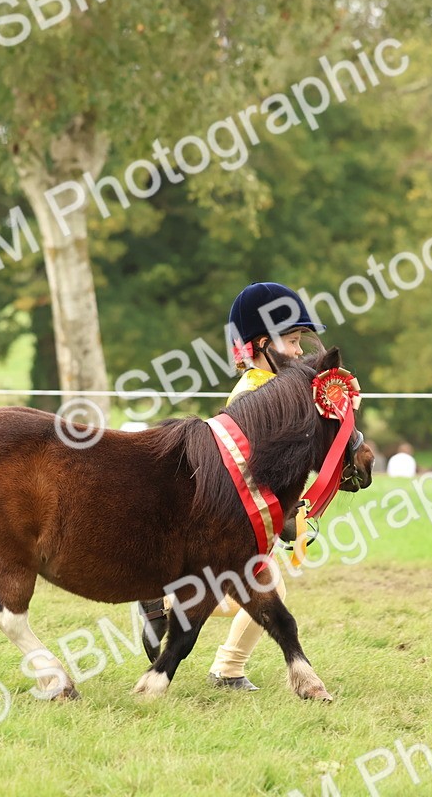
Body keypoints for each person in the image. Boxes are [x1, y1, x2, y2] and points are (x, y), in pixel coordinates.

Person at [139, 281, 328, 691]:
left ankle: (224, 663)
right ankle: (213, 653)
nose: (299, 351)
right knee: (255, 587)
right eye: (293, 341)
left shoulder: (275, 385)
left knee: (250, 587)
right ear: (263, 344)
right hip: (240, 512)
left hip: (259, 512)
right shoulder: (255, 392)